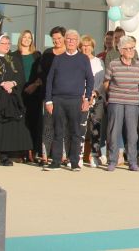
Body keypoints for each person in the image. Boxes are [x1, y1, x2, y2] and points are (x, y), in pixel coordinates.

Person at [43, 29, 94, 171]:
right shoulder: (58, 59)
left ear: (77, 42)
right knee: (58, 131)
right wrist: (48, 100)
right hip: (58, 100)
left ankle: (74, 162)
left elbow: (90, 79)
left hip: (75, 100)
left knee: (75, 132)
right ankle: (56, 162)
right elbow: (49, 80)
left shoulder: (83, 59)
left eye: (73, 39)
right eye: (68, 39)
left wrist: (87, 98)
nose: (71, 42)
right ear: (65, 41)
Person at [0, 35, 31, 166]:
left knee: (6, 127)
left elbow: (21, 76)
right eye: (4, 43)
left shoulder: (13, 59)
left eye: (9, 43)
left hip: (9, 97)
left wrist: (12, 83)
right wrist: (2, 83)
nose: (7, 45)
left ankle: (4, 156)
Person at [104, 35, 139, 172]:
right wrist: (112, 95)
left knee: (132, 134)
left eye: (133, 48)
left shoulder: (138, 65)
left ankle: (132, 161)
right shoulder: (113, 64)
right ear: (121, 50)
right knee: (114, 131)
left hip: (132, 102)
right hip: (116, 100)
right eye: (128, 48)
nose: (131, 51)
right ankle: (113, 160)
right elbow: (106, 83)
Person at [37, 26, 65, 165]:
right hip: (49, 95)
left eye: (59, 38)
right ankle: (45, 155)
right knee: (48, 125)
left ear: (64, 38)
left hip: (65, 95)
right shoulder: (47, 53)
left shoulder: (70, 53)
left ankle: (63, 156)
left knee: (64, 126)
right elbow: (41, 74)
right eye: (54, 39)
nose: (56, 41)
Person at [13, 30, 41, 163]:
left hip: (33, 92)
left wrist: (35, 85)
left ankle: (32, 151)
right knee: (20, 122)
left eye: (29, 37)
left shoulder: (37, 55)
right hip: (18, 93)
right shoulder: (13, 55)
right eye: (24, 37)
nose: (26, 39)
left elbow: (42, 74)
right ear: (20, 39)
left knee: (33, 122)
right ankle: (20, 151)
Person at [80, 35, 105, 168]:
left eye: (88, 45)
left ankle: (94, 156)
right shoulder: (78, 61)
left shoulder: (99, 62)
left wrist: (94, 93)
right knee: (81, 127)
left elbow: (102, 81)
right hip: (81, 98)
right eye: (83, 45)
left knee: (95, 127)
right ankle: (79, 155)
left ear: (92, 47)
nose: (86, 48)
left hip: (97, 99)